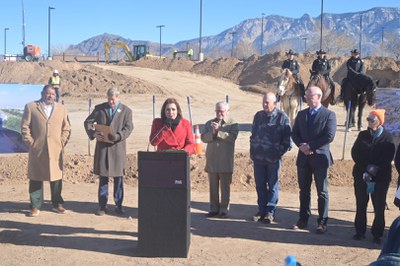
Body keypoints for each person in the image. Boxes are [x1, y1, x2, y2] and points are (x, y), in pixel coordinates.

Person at [21, 84, 71, 217]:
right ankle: (35, 206)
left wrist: (61, 142)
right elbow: (25, 127)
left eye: (53, 94)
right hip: (38, 150)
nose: (50, 96)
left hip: (55, 150)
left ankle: (57, 204)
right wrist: (32, 143)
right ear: (42, 93)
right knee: (36, 177)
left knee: (56, 178)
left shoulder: (61, 109)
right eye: (48, 93)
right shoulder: (31, 107)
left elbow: (66, 127)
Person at [291, 86, 337, 233]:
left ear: (318, 97)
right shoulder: (301, 114)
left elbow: (329, 136)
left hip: (320, 159)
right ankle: (303, 219)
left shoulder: (329, 115)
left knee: (322, 191)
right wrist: (301, 146)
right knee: (304, 190)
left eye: (309, 96)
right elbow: (295, 133)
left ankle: (322, 222)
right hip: (303, 158)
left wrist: (311, 146)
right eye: (305, 95)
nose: (306, 98)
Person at [84, 88, 133, 216]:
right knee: (103, 178)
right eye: (109, 99)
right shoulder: (100, 108)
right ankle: (102, 206)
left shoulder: (126, 111)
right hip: (103, 149)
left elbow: (128, 128)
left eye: (113, 99)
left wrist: (118, 136)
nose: (111, 101)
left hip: (118, 150)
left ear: (118, 97)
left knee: (118, 180)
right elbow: (88, 122)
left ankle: (118, 205)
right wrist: (94, 133)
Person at [351, 109, 395, 244]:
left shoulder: (387, 137)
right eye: (368, 119)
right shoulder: (362, 135)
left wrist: (373, 170)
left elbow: (387, 157)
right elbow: (355, 153)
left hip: (380, 177)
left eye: (372, 119)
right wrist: (365, 169)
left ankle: (377, 234)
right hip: (361, 175)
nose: (369, 122)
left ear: (379, 122)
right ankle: (359, 231)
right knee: (361, 204)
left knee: (379, 206)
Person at [250, 92, 292, 223]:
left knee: (272, 185)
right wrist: (253, 148)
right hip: (258, 158)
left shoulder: (282, 117)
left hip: (273, 159)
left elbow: (287, 142)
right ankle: (261, 210)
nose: (264, 104)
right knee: (260, 185)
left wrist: (277, 153)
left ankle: (270, 212)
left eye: (267, 102)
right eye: (263, 102)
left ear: (275, 103)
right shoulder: (258, 116)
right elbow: (253, 134)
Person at [201, 101, 239, 218]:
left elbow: (232, 138)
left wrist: (219, 132)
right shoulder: (209, 123)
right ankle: (214, 208)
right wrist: (212, 133)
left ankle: (224, 209)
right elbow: (203, 138)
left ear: (227, 111)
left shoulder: (233, 124)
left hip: (225, 161)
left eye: (222, 111)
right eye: (217, 111)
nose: (219, 113)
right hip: (212, 161)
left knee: (225, 188)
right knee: (213, 188)